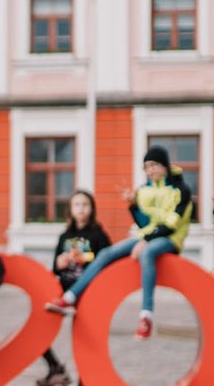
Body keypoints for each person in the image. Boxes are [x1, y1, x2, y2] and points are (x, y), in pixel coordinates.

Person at [46, 146, 192, 340]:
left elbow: (172, 225)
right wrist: (133, 205)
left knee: (146, 253)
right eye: (147, 167)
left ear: (164, 165)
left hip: (170, 239)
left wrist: (146, 241)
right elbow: (144, 223)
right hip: (147, 237)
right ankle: (69, 298)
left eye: (154, 165)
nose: (150, 170)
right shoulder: (144, 190)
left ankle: (146, 316)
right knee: (106, 254)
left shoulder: (181, 190)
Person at [41, 190, 110, 386]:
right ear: (70, 209)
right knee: (39, 322)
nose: (81, 208)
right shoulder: (65, 235)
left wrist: (86, 259)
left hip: (88, 294)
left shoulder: (98, 235)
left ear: (92, 209)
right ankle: (54, 366)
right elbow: (55, 267)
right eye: (77, 204)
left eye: (85, 204)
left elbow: (108, 262)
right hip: (64, 290)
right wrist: (60, 263)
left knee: (86, 344)